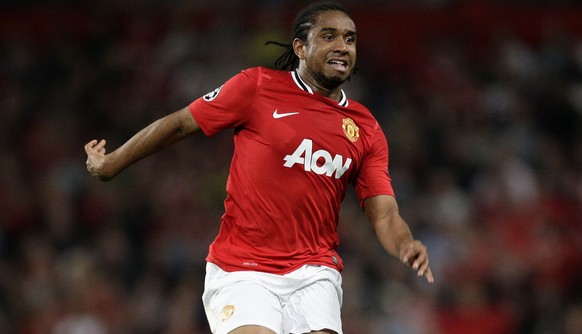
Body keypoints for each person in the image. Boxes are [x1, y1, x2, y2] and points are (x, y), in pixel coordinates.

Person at [84, 1, 433, 333]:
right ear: (300, 47)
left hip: (315, 271)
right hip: (243, 267)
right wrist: (113, 162)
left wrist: (404, 244)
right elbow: (179, 124)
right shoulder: (257, 87)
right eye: (329, 36)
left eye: (350, 39)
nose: (342, 46)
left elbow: (384, 213)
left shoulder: (365, 127)